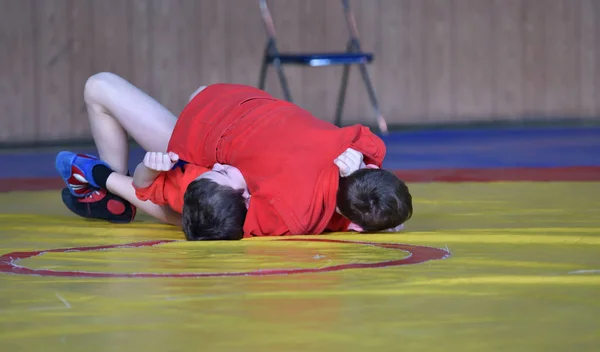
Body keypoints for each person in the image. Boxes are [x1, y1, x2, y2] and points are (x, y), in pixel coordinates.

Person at [57, 73, 412, 239]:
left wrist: (363, 160)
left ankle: (107, 186)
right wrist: (362, 223)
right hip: (205, 133)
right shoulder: (295, 213)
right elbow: (226, 221)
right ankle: (108, 183)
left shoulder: (356, 144)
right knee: (202, 208)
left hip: (221, 101)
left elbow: (370, 156)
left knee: (97, 86)